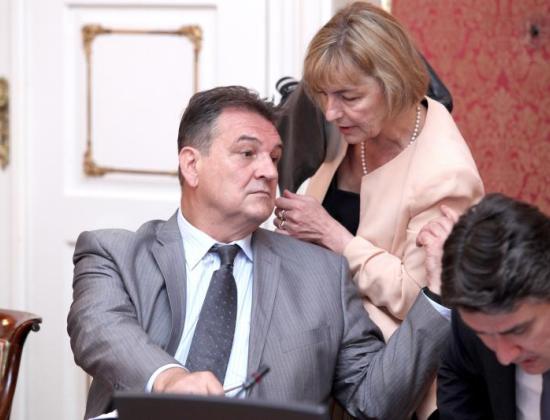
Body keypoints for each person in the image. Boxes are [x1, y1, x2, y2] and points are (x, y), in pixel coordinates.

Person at [67, 85, 450, 420]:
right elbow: (100, 329)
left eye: (275, 157)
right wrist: (171, 379)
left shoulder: (322, 275)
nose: (269, 171)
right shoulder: (116, 254)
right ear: (192, 165)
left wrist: (437, 294)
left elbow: (376, 400)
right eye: (248, 153)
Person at [272, 3, 484, 418]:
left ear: (393, 83)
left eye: (348, 97)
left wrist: (334, 237)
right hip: (322, 341)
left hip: (386, 371)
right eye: (324, 95)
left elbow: (423, 300)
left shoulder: (447, 175)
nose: (330, 112)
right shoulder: (353, 125)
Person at [428, 193, 550, 420]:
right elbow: (458, 373)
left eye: (518, 330)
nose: (504, 356)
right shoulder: (474, 320)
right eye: (486, 335)